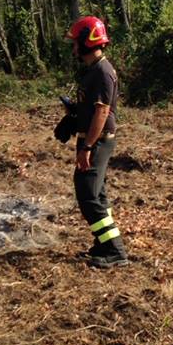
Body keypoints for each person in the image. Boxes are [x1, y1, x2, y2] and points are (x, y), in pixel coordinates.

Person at [65, 16, 129, 269]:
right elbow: (92, 108)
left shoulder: (103, 71)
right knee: (97, 193)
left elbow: (102, 113)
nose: (73, 48)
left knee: (88, 194)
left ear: (86, 42)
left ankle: (115, 251)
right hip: (93, 139)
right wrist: (74, 114)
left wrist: (87, 147)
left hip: (98, 141)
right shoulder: (94, 70)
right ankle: (104, 244)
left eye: (75, 42)